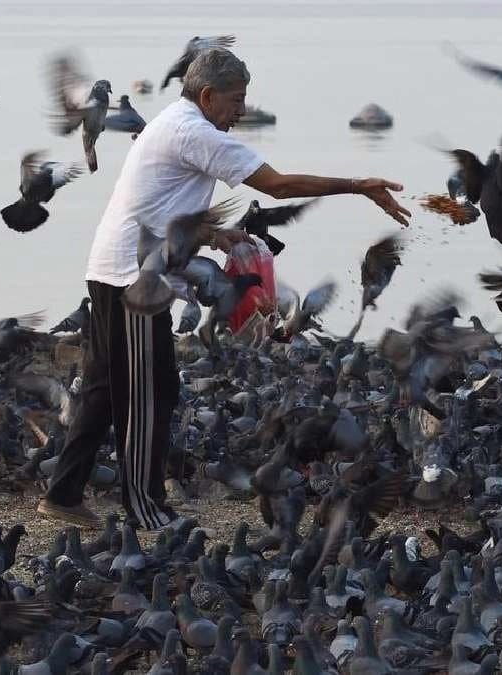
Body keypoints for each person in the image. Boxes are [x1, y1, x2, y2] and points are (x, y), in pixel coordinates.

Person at [37, 48, 411, 530]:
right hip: (135, 278)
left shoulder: (171, 121)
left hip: (112, 266)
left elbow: (159, 202)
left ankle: (63, 494)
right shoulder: (196, 133)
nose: (242, 110)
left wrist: (214, 235)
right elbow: (278, 186)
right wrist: (359, 184)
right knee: (152, 392)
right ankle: (146, 507)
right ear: (208, 95)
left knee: (104, 388)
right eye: (236, 100)